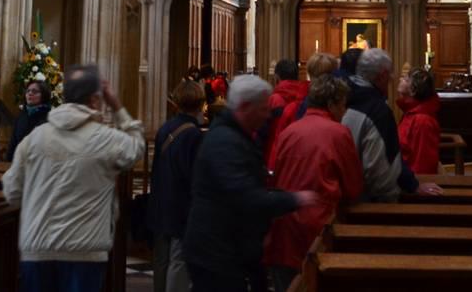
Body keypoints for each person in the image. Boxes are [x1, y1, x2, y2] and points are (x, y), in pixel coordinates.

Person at [1, 64, 143, 292]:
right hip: (84, 251)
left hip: (37, 249)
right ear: (95, 100)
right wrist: (116, 106)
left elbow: (12, 192)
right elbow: (136, 148)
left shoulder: (34, 138)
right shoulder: (106, 139)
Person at [184, 75, 315, 292]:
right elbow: (244, 195)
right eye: (263, 109)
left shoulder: (237, 135)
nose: (267, 115)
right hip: (216, 252)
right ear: (245, 107)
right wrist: (294, 199)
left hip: (229, 248)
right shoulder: (225, 141)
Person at [264, 75, 364, 292]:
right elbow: (353, 186)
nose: (344, 111)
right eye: (343, 105)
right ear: (331, 104)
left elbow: (274, 174)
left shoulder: (289, 131)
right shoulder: (338, 133)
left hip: (285, 227)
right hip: (319, 229)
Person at [343, 48, 442, 201]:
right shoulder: (378, 110)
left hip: (355, 189)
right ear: (382, 75)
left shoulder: (344, 99)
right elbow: (385, 158)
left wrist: (413, 185)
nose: (394, 78)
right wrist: (411, 185)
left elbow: (419, 160)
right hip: (375, 197)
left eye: (405, 78)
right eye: (391, 74)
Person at [150, 80, 206, 292]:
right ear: (200, 104)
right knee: (178, 261)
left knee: (161, 260)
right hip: (181, 205)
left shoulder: (165, 128)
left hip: (161, 201)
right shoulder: (193, 134)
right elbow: (194, 176)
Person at [261, 59, 308, 168]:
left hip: (275, 153)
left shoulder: (274, 100)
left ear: (277, 77)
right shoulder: (305, 98)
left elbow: (264, 132)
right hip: (300, 155)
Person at [398, 67, 441, 175]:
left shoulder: (422, 121)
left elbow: (422, 163)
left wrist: (414, 183)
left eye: (405, 79)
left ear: (414, 89)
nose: (400, 79)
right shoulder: (411, 113)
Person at [8, 79, 52, 160]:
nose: (30, 93)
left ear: (44, 95)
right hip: (19, 162)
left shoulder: (49, 118)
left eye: (34, 91)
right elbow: (13, 145)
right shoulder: (21, 117)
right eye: (28, 91)